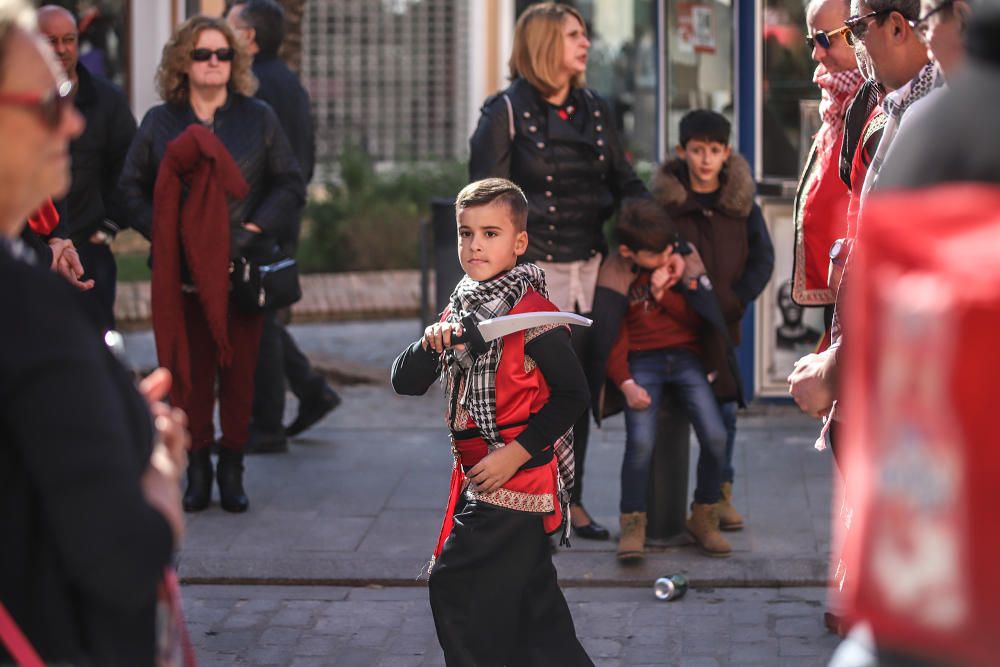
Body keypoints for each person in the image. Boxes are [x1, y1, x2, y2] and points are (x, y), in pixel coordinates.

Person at [0, 1, 186, 663]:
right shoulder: (26, 307)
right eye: (48, 105)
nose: (72, 121)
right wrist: (162, 480)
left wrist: (101, 414)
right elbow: (120, 556)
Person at [390, 178, 594, 666]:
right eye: (465, 233)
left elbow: (573, 395)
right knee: (536, 615)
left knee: (453, 586)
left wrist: (514, 454)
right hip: (478, 477)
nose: (475, 245)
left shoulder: (533, 315)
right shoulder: (463, 303)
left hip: (514, 482)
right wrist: (428, 345)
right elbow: (404, 382)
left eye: (490, 233)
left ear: (519, 242)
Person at [469, 2, 649, 541]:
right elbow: (484, 203)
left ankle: (571, 501)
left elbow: (624, 181)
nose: (586, 43)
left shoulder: (595, 108)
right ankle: (523, 501)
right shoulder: (502, 111)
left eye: (584, 33)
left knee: (579, 387)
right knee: (530, 395)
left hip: (590, 269)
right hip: (528, 277)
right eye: (574, 35)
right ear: (546, 43)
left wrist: (662, 236)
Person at [119, 15, 304, 513]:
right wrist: (168, 232)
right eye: (203, 54)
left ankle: (232, 469)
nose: (215, 63)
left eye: (223, 54)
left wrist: (252, 231)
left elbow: (289, 182)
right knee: (190, 377)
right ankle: (197, 470)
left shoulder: (258, 116)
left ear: (236, 61)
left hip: (239, 272)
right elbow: (128, 189)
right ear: (184, 61)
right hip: (180, 276)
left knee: (239, 376)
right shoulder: (161, 121)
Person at [650, 109, 774, 538]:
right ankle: (664, 505)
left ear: (727, 154)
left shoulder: (741, 206)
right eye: (697, 150)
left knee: (724, 412)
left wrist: (736, 300)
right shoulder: (666, 205)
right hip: (679, 328)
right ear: (682, 152)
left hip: (724, 326)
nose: (705, 160)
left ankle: (718, 494)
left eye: (714, 151)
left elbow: (763, 259)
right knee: (678, 414)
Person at [226, 0, 340, 453]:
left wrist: (252, 222)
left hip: (260, 222)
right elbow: (305, 156)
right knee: (265, 312)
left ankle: (267, 425)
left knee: (260, 318)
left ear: (249, 39)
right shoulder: (289, 83)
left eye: (230, 30)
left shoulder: (255, 87)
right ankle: (312, 390)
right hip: (281, 214)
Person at [597, 198, 735, 560]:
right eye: (656, 255)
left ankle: (704, 514)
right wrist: (624, 382)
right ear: (629, 252)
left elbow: (699, 322)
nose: (666, 256)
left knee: (716, 435)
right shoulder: (617, 271)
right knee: (640, 441)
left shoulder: (678, 258)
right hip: (642, 361)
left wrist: (666, 294)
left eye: (669, 249)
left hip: (686, 357)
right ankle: (632, 523)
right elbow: (613, 336)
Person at [37, 4, 136, 333]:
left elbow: (129, 167)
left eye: (69, 39)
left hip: (90, 250)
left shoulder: (108, 101)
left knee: (96, 346)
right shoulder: (18, 105)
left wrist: (108, 227)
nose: (62, 49)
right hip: (37, 252)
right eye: (51, 41)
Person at [792, 0, 865, 324]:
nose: (816, 55)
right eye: (811, 42)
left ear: (856, 32)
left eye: (823, 39)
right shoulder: (836, 100)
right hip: (836, 280)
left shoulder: (877, 98)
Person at [848, 0, 936, 199]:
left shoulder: (937, 117)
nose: (857, 46)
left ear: (896, 27)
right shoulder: (910, 104)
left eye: (858, 27)